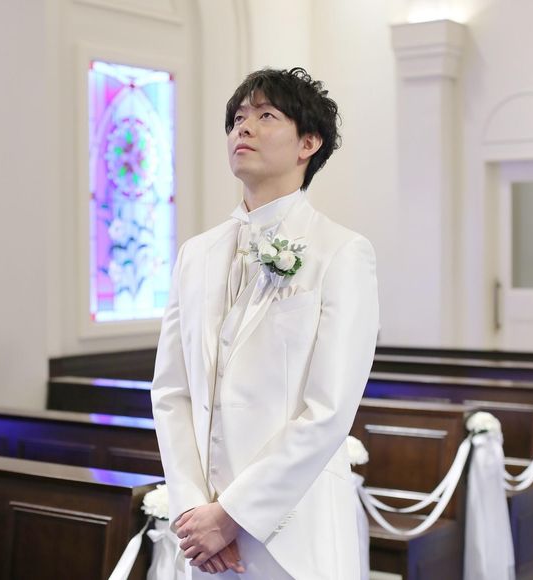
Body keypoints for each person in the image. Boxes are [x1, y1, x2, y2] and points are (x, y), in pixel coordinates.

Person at [151, 67, 379, 579]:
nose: (244, 128)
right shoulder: (195, 255)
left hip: (295, 533)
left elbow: (329, 410)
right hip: (205, 540)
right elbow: (171, 391)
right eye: (237, 118)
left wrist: (232, 515)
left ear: (308, 143)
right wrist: (194, 511)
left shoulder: (341, 252)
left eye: (266, 115)